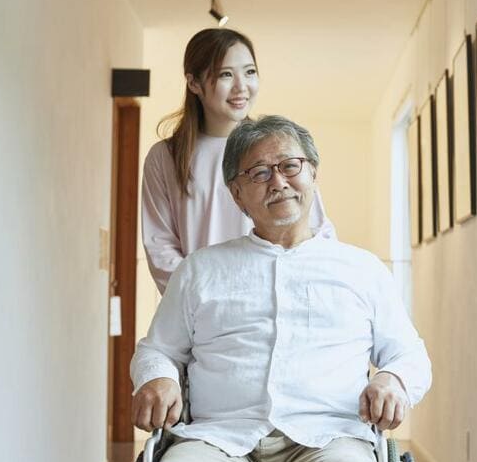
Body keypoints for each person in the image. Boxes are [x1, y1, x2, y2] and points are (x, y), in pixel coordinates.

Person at [131, 115, 432, 462]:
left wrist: (393, 380)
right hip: (220, 440)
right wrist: (158, 379)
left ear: (313, 175)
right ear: (236, 194)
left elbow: (409, 354)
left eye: (290, 166)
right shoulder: (199, 270)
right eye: (258, 173)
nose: (278, 182)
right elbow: (158, 350)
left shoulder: (362, 269)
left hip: (327, 441)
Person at [141, 28, 335, 293]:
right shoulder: (165, 157)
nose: (241, 87)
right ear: (194, 83)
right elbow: (160, 246)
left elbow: (317, 228)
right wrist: (201, 298)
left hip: (277, 298)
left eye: (250, 72)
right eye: (225, 74)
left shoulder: (279, 146)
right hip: (203, 308)